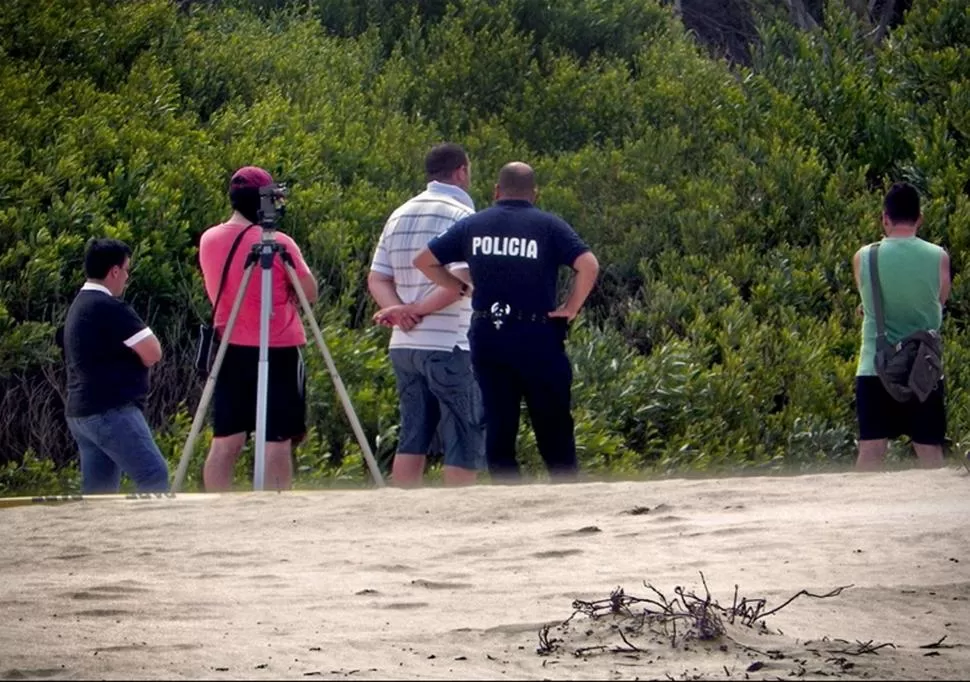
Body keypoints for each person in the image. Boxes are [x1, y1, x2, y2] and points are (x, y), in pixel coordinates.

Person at [414, 161, 599, 482]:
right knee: (552, 421)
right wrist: (570, 306)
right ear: (534, 194)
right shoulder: (549, 226)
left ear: (496, 191)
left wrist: (456, 287)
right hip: (537, 333)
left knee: (499, 422)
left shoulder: (475, 225)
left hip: (489, 333)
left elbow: (425, 261)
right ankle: (566, 490)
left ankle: (507, 492)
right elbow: (588, 264)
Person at [367, 143, 485, 487]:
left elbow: (378, 276)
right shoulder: (462, 216)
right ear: (462, 170)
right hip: (449, 341)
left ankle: (404, 511)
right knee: (463, 433)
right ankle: (459, 512)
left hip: (404, 344)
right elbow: (459, 282)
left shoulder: (399, 213)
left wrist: (398, 312)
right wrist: (415, 309)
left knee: (413, 434)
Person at [198, 166, 319, 491]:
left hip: (229, 346)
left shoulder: (209, 239)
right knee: (277, 439)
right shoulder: (279, 243)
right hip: (278, 346)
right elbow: (308, 293)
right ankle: (274, 508)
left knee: (226, 439)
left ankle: (217, 510)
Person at [852, 181, 950, 472]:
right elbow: (939, 303)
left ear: (885, 218)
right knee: (929, 450)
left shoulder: (864, 257)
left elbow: (868, 301)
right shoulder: (939, 257)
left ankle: (860, 515)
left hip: (875, 366)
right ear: (919, 217)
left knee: (871, 451)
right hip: (923, 366)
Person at [61, 238, 169, 494]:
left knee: (100, 493)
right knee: (153, 474)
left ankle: (99, 533)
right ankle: (150, 532)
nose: (127, 277)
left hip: (82, 410)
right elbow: (153, 352)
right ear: (115, 271)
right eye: (127, 270)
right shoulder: (109, 307)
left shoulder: (80, 305)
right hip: (111, 408)